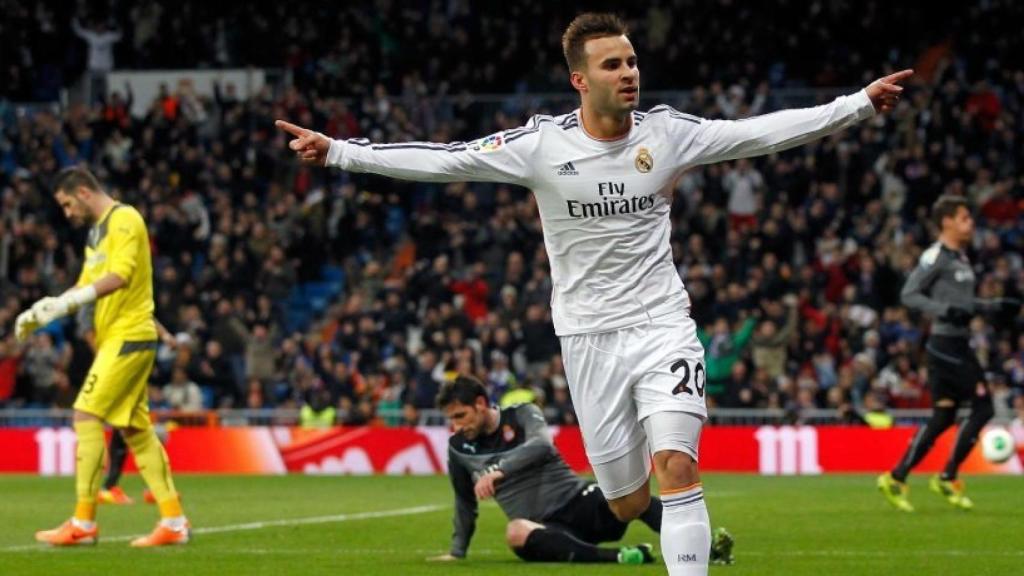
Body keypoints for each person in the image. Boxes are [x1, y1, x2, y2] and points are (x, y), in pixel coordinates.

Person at [277, 13, 908, 574]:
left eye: (632, 60)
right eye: (613, 64)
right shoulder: (541, 146)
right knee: (627, 499)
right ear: (580, 78)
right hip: (587, 338)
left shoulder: (668, 133)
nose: (629, 72)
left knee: (678, 465)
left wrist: (855, 104)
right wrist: (339, 153)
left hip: (663, 323)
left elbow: (759, 132)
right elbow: (446, 160)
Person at [14, 167, 190, 546]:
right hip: (117, 337)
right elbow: (86, 283)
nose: (66, 214)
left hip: (129, 336)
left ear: (82, 192)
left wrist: (70, 300)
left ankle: (84, 522)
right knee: (135, 430)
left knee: (85, 413)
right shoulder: (96, 233)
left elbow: (121, 276)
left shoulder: (124, 219)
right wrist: (48, 308)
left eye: (66, 204)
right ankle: (174, 522)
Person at [428, 376, 734, 565]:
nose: (457, 425)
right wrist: (457, 551)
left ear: (481, 404)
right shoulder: (458, 448)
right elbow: (464, 500)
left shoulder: (522, 413)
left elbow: (542, 447)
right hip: (546, 527)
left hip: (580, 500)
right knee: (515, 532)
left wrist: (498, 470)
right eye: (451, 419)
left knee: (633, 497)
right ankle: (624, 557)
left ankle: (705, 548)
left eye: (461, 415)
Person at [878, 195, 1020, 511]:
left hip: (955, 344)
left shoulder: (960, 257)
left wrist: (992, 307)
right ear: (947, 222)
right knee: (982, 407)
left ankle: (896, 477)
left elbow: (962, 307)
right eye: (964, 218)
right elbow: (909, 294)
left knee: (944, 416)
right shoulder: (936, 256)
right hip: (946, 346)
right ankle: (947, 475)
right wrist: (943, 310)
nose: (970, 223)